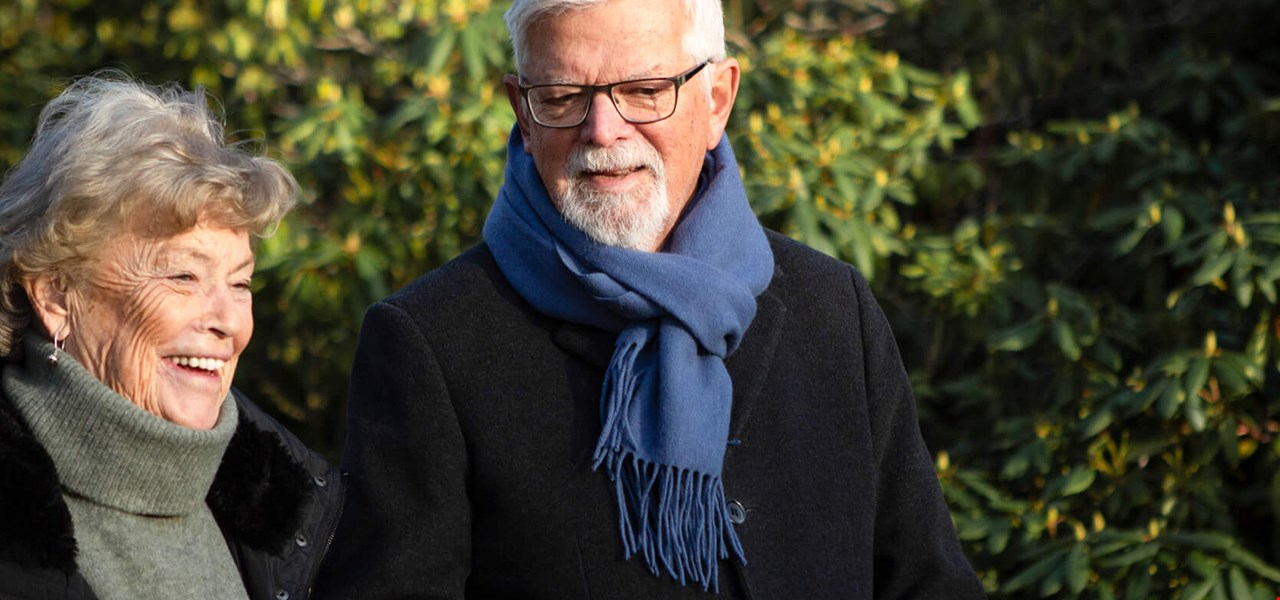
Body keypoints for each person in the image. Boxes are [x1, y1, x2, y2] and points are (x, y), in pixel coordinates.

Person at [316, 0, 985, 597]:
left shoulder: (834, 308)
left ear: (717, 99)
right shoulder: (430, 342)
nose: (603, 129)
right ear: (521, 109)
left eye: (643, 90)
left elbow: (926, 580)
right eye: (561, 96)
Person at [0, 73, 344, 600]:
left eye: (240, 283)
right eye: (183, 276)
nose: (227, 321)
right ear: (54, 294)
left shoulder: (293, 509)